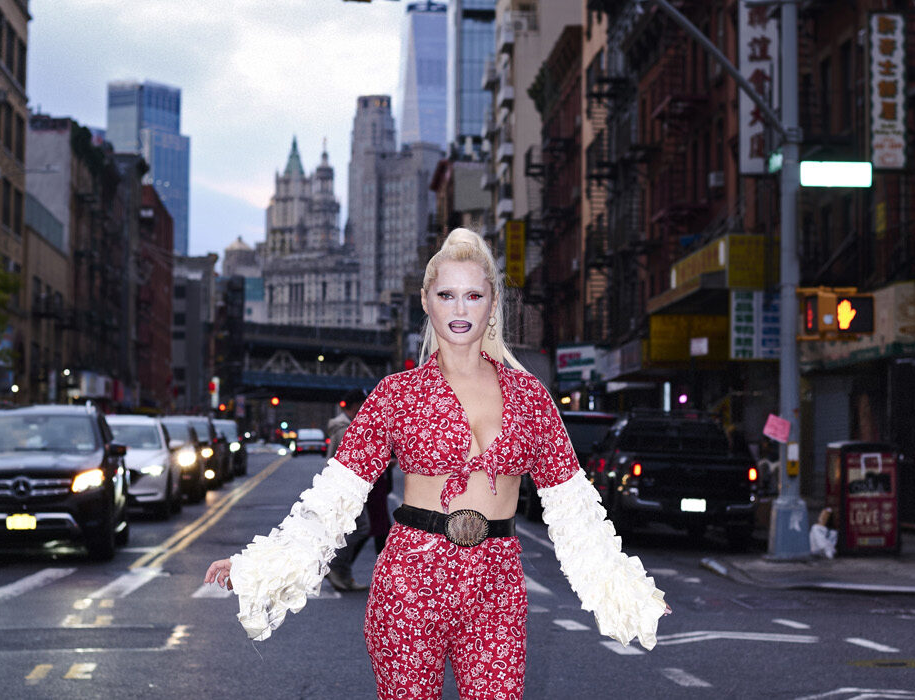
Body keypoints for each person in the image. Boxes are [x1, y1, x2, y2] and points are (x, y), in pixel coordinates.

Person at [205, 228, 670, 699]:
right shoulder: (396, 395)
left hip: (496, 585)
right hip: (410, 582)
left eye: (474, 296)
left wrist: (627, 590)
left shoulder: (531, 397)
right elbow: (334, 496)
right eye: (446, 295)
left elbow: (574, 509)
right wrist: (261, 567)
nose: (460, 309)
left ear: (493, 305)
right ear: (427, 303)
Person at [324, 388, 371, 592]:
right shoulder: (345, 430)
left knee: (349, 529)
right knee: (361, 528)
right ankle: (335, 566)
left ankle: (344, 575)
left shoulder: (345, 427)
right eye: (364, 404)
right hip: (347, 487)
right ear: (356, 405)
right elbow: (349, 461)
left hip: (343, 485)